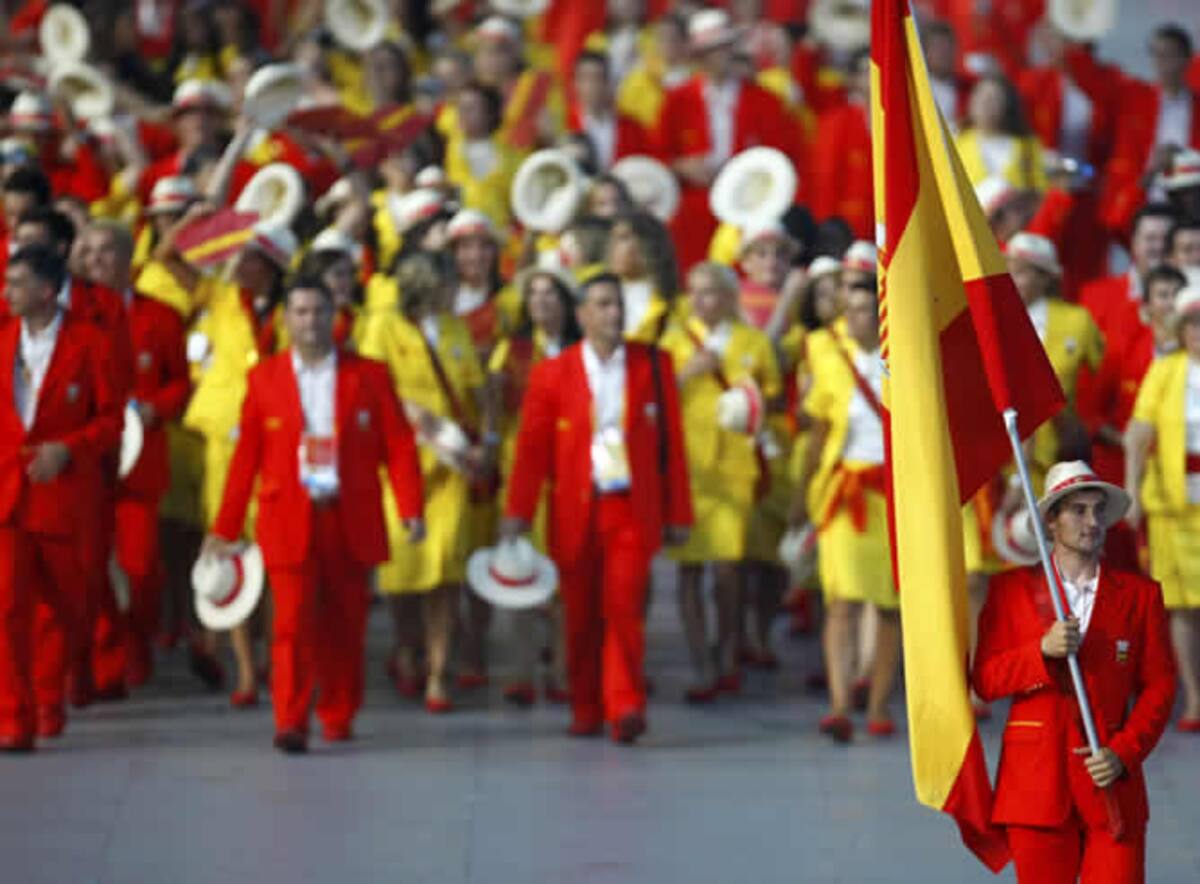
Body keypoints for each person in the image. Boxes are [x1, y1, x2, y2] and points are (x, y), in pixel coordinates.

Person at [205, 278, 425, 753]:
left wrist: (410, 507)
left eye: (319, 311)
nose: (310, 321)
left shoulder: (368, 375)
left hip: (349, 513)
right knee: (290, 625)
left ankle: (339, 711)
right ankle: (290, 719)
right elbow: (247, 457)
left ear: (335, 316)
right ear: (286, 319)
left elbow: (400, 445)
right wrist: (224, 527)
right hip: (289, 515)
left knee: (346, 624)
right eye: (300, 312)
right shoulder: (264, 379)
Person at [501, 272, 693, 744]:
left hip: (630, 506)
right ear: (581, 314)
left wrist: (679, 512)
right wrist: (518, 512)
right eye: (603, 305)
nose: (613, 314)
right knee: (580, 615)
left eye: (617, 304)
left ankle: (625, 704)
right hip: (574, 507)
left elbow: (673, 447)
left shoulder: (653, 364)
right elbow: (532, 449)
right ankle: (586, 705)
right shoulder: (552, 373)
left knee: (624, 606)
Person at [973, 461, 1177, 883]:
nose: (1092, 522)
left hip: (1112, 785)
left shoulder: (1142, 595)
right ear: (1051, 521)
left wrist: (1124, 752)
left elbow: (1160, 686)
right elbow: (986, 681)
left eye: (1098, 510)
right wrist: (1039, 653)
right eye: (1078, 511)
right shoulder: (1009, 591)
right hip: (1034, 786)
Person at [0, 245, 122, 750]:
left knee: (64, 609)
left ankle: (50, 698)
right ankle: (13, 717)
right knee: (6, 608)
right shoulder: (3, 340)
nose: (7, 292)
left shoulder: (91, 342)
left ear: (47, 290)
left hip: (64, 494)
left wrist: (69, 450)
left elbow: (114, 419)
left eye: (17, 283)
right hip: (8, 492)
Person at [358, 253, 488, 713]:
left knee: (446, 566)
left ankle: (438, 671)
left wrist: (478, 437)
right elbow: (372, 384)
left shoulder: (454, 330)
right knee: (404, 567)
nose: (456, 290)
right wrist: (415, 415)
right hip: (402, 460)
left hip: (449, 463)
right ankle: (407, 647)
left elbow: (474, 387)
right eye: (448, 282)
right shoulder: (385, 328)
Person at [660, 263, 781, 700]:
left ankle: (728, 648)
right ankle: (701, 662)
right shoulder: (673, 343)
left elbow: (773, 396)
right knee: (689, 569)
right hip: (689, 468)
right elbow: (651, 397)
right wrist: (687, 372)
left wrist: (754, 404)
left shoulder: (751, 342)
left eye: (711, 292)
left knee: (729, 568)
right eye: (695, 291)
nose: (701, 300)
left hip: (734, 469)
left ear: (730, 297)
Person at [790, 276, 900, 741]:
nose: (857, 319)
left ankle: (876, 704)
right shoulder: (830, 361)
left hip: (893, 495)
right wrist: (801, 496)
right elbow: (816, 433)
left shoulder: (907, 362)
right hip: (844, 491)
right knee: (841, 601)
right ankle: (838, 704)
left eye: (866, 310)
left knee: (890, 606)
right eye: (851, 310)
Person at [80, 221, 190, 689]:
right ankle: (106, 666)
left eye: (105, 251)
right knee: (90, 567)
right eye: (87, 252)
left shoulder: (160, 317)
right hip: (85, 463)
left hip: (140, 462)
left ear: (127, 259)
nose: (95, 260)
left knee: (141, 566)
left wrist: (155, 407)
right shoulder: (70, 319)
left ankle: (138, 639)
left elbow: (181, 384)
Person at [1125, 284, 1200, 731]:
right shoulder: (1166, 370)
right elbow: (1138, 430)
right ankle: (1194, 699)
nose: (1198, 332)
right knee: (1179, 606)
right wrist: (1131, 489)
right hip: (1174, 503)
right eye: (1192, 323)